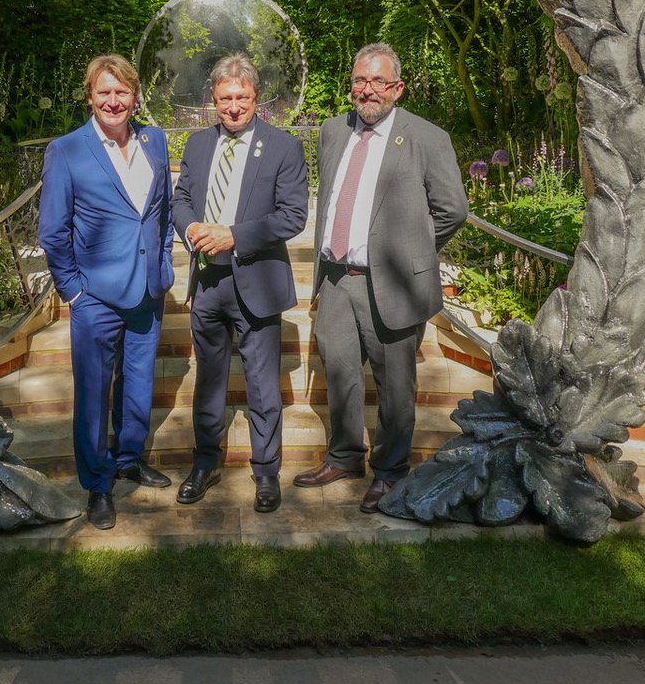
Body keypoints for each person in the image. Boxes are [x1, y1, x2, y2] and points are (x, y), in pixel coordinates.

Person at [294, 42, 467, 511]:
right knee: (341, 373)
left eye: (377, 82)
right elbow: (329, 198)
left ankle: (390, 471)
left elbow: (452, 210)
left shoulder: (426, 137)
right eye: (359, 81)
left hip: (391, 281)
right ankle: (344, 455)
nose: (366, 91)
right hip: (335, 280)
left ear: (397, 88)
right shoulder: (332, 131)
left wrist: (412, 254)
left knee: (395, 384)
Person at [38, 54, 174, 530]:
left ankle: (130, 458)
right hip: (94, 296)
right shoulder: (67, 150)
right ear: (90, 96)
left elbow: (163, 211)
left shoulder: (153, 140)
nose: (113, 101)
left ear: (135, 96)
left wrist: (163, 266)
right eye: (104, 93)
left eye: (122, 92)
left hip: (147, 292)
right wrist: (73, 292)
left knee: (137, 385)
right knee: (94, 393)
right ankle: (98, 484)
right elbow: (53, 231)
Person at [172, 54, 308, 513]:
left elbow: (293, 216)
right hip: (208, 283)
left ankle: (266, 473)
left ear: (257, 98)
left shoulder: (283, 147)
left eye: (242, 98)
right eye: (226, 99)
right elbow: (183, 199)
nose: (234, 107)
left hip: (256, 281)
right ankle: (205, 463)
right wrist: (192, 230)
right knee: (209, 381)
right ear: (213, 99)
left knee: (262, 384)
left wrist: (233, 235)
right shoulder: (196, 144)